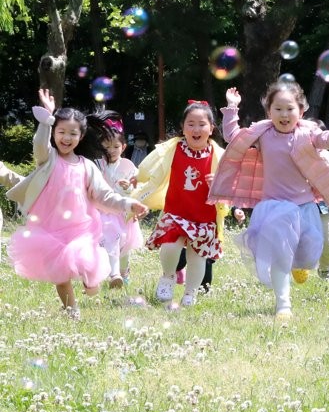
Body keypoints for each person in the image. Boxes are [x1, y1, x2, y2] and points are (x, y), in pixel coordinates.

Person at [208, 83, 329, 321]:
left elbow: (327, 140)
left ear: (301, 112)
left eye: (290, 109)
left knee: (309, 256)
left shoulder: (307, 133)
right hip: (274, 206)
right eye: (278, 109)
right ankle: (283, 304)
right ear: (269, 112)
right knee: (281, 255)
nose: (284, 114)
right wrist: (232, 109)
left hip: (305, 205)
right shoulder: (263, 133)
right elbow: (233, 137)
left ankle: (300, 265)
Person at [6, 89, 146, 320]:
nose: (66, 137)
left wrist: (128, 204)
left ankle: (93, 282)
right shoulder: (48, 159)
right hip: (50, 229)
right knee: (61, 276)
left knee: (89, 276)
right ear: (54, 134)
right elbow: (39, 145)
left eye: (72, 133)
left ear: (81, 137)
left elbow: (104, 196)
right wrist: (46, 120)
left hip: (81, 228)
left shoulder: (86, 166)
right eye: (61, 132)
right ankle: (72, 311)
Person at [134, 100, 228, 307]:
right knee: (169, 245)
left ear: (211, 129)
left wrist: (219, 184)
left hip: (204, 217)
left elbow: (232, 184)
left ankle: (190, 293)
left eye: (202, 124)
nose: (196, 129)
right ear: (182, 128)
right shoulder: (172, 149)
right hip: (175, 212)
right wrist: (137, 179)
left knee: (197, 257)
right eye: (191, 123)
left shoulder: (220, 155)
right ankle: (168, 276)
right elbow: (150, 167)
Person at [84, 110, 145, 288]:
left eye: (116, 147)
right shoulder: (97, 165)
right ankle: (113, 274)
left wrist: (129, 188)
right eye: (107, 146)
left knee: (125, 248)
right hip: (103, 212)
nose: (111, 150)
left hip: (123, 213)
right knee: (109, 241)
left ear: (123, 147)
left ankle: (123, 273)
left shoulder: (128, 166)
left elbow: (138, 189)